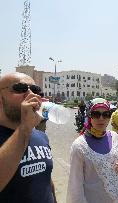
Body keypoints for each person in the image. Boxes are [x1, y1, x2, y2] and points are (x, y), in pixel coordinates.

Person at [0, 73, 56, 203]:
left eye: (35, 90)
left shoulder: (41, 137)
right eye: (20, 88)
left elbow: (46, 180)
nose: (31, 94)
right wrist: (24, 129)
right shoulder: (26, 130)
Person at [67, 98, 118, 203]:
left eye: (106, 114)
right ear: (89, 116)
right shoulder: (79, 146)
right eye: (96, 114)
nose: (101, 118)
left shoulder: (114, 137)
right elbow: (75, 188)